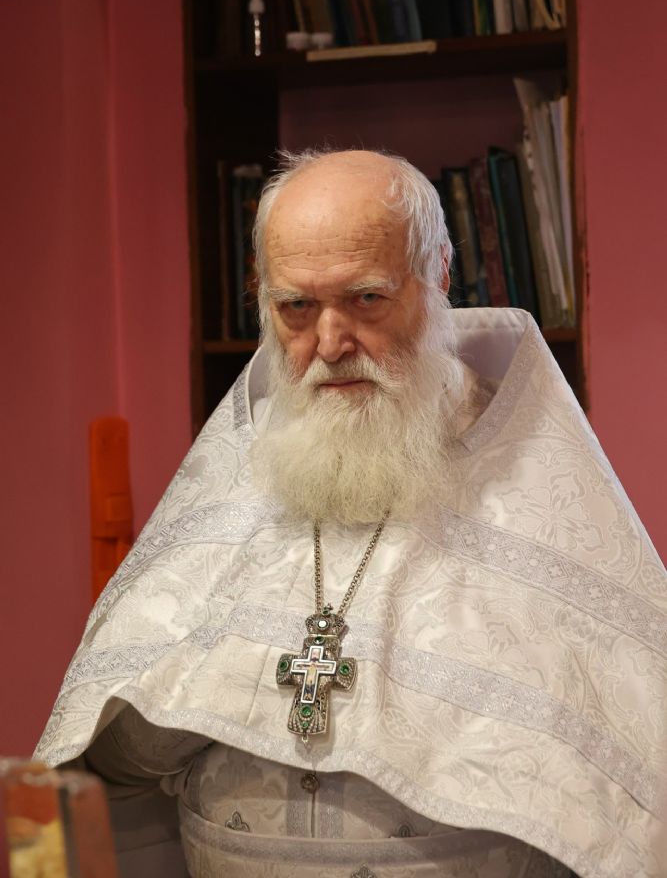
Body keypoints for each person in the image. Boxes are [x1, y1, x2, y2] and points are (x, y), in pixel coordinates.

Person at [36, 150, 666, 878]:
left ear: (437, 274)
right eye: (296, 308)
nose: (331, 344)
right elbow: (106, 769)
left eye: (366, 299)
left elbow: (619, 794)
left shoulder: (534, 487)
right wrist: (205, 683)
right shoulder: (236, 475)